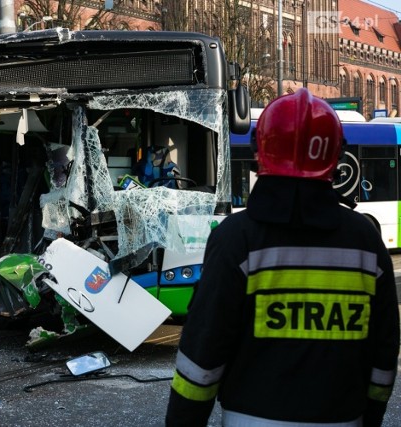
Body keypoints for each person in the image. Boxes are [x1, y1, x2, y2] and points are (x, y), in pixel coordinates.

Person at [165, 89, 399, 427]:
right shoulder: (366, 242)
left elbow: (202, 355)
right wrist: (369, 416)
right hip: (345, 418)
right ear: (335, 158)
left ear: (260, 154)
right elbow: (384, 354)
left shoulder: (235, 239)